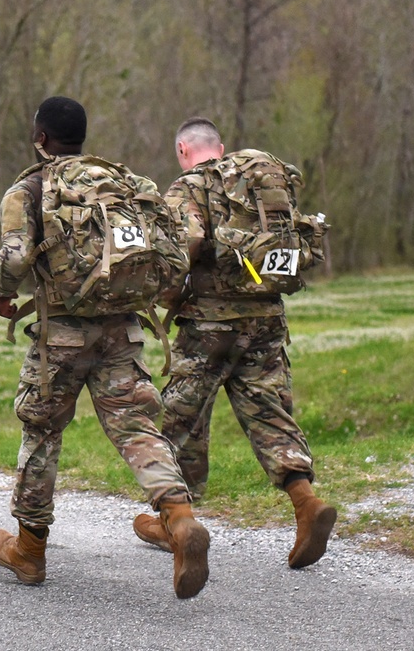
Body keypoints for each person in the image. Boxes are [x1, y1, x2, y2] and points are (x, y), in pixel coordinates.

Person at [0, 96, 209, 598]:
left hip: (60, 337)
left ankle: (29, 549)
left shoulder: (29, 189)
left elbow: (17, 258)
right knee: (136, 426)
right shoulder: (122, 183)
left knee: (42, 431)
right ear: (82, 137)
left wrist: (4, 294)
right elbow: (174, 242)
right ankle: (179, 517)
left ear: (41, 138)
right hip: (122, 329)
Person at [132, 117, 337, 569]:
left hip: (208, 326)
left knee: (180, 420)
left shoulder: (188, 186)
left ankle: (177, 522)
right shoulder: (262, 185)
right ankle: (306, 503)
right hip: (266, 319)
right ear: (219, 148)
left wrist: (168, 293)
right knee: (269, 412)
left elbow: (186, 242)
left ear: (183, 149)